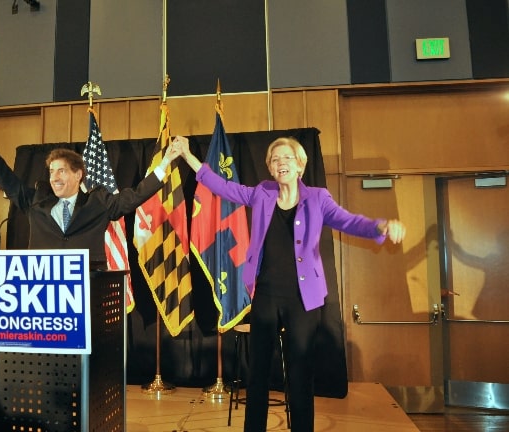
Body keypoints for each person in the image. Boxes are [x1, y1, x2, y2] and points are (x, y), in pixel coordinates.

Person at [173, 135, 406, 432]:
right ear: (270, 169)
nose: (281, 163)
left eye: (287, 158)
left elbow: (348, 221)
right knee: (257, 374)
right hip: (266, 295)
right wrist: (188, 156)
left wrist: (380, 225)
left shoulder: (318, 198)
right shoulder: (262, 193)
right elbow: (223, 187)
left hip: (303, 299)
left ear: (300, 165)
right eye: (275, 159)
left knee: (300, 374)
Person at [0, 117, 181, 267]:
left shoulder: (97, 202)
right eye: (51, 172)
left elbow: (134, 196)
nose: (54, 177)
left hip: (86, 289)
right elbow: (7, 179)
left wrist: (165, 162)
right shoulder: (37, 202)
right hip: (44, 287)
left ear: (78, 175)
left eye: (61, 171)